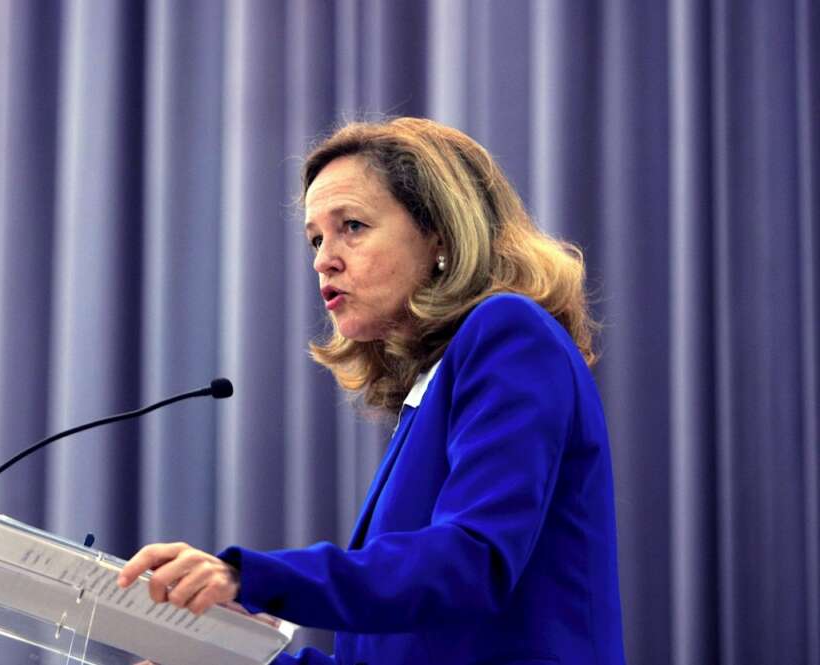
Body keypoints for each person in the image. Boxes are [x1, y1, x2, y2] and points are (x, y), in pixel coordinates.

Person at [118, 117, 626, 665]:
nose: (322, 259)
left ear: (440, 234)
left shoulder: (508, 332)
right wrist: (226, 659)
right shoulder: (428, 393)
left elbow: (470, 560)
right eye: (316, 238)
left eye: (352, 227)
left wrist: (247, 575)